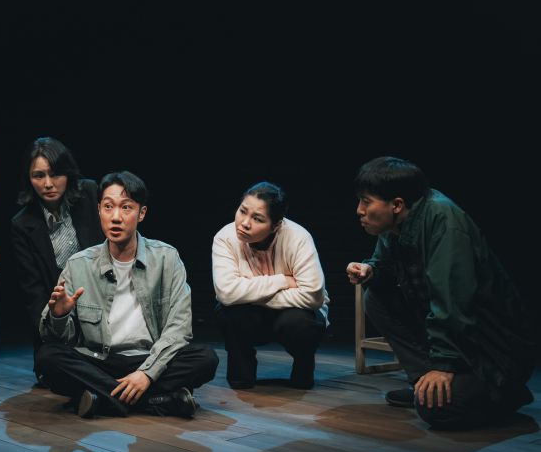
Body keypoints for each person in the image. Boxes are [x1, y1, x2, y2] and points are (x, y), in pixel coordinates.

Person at [347, 156, 535, 429]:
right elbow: (385, 264)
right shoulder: (394, 226)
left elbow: (453, 300)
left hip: (492, 348)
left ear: (396, 204)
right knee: (376, 297)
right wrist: (370, 270)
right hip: (461, 339)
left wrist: (445, 364)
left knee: (436, 410)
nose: (359, 210)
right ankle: (423, 383)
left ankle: (505, 391)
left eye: (366, 202)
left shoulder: (443, 220)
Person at [36, 171, 218, 418]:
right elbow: (57, 337)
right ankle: (159, 401)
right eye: (108, 207)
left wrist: (146, 373)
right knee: (47, 358)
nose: (116, 217)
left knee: (205, 358)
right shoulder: (79, 264)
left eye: (126, 207)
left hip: (148, 358)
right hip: (99, 361)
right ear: (99, 210)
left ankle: (102, 399)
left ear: (141, 213)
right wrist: (59, 316)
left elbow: (179, 328)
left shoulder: (167, 258)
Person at [212, 182, 329, 390]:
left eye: (257, 219)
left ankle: (303, 368)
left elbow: (313, 296)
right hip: (253, 316)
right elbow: (226, 292)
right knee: (229, 312)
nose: (244, 223)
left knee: (298, 322)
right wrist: (283, 281)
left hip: (294, 314)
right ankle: (242, 376)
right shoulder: (225, 237)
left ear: (276, 225)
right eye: (242, 211)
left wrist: (249, 294)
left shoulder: (298, 238)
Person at [10, 137, 103, 384]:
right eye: (38, 176)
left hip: (104, 305)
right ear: (28, 179)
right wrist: (53, 326)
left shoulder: (89, 194)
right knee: (49, 362)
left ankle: (94, 385)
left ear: (68, 173)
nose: (48, 184)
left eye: (55, 174)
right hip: (60, 319)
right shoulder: (22, 224)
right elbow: (34, 292)